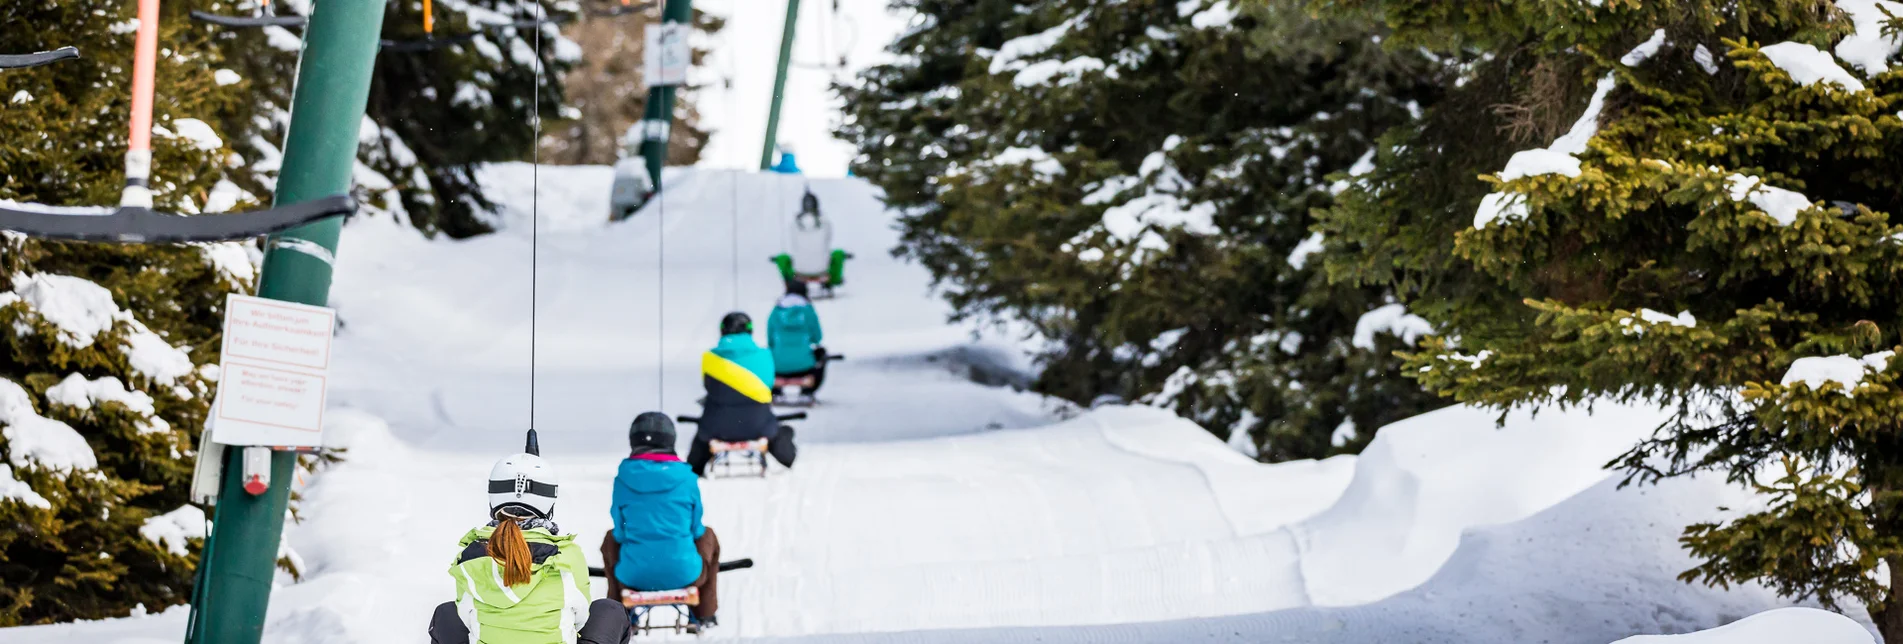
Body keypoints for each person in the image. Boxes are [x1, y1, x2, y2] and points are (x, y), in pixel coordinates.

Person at [429, 450, 628, 644]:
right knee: (610, 611)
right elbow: (580, 618)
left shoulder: (471, 557)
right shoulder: (567, 556)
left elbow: (466, 617)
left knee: (446, 614)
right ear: (549, 502)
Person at [602, 413, 721, 629]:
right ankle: (705, 612)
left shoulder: (623, 479)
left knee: (610, 539)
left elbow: (620, 532)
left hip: (633, 576)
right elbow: (696, 530)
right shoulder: (687, 479)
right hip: (685, 574)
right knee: (708, 535)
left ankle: (619, 613)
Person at [690, 312, 796, 475]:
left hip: (717, 427)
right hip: (758, 426)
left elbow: (709, 387)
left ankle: (695, 469)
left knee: (701, 439)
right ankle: (786, 455)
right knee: (778, 432)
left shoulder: (709, 357)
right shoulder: (764, 355)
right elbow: (768, 386)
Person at [767, 280, 826, 399]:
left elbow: (770, 340)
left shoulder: (776, 311)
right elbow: (817, 338)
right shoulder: (808, 311)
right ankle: (807, 391)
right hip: (805, 367)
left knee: (767, 354)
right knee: (822, 353)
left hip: (778, 367)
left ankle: (776, 391)